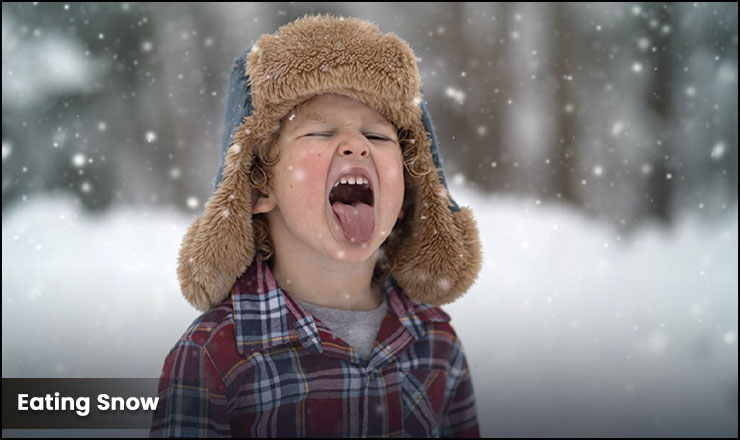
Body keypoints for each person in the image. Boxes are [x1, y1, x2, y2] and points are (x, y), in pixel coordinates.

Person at [150, 13, 482, 438]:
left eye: (379, 138)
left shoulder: (436, 345)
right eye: (321, 132)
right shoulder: (213, 356)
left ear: (406, 192)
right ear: (258, 186)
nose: (356, 144)